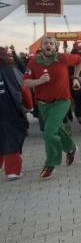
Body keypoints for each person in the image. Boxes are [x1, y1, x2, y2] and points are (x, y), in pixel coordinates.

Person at [23, 36, 81, 179]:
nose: (48, 45)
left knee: (49, 133)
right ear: (41, 47)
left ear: (55, 46)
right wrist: (39, 81)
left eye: (51, 43)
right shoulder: (33, 61)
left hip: (62, 102)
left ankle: (51, 163)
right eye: (45, 43)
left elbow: (80, 60)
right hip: (43, 104)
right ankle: (71, 148)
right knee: (57, 129)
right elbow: (25, 82)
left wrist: (75, 78)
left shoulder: (62, 58)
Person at [0, 47, 32, 180]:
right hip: (10, 110)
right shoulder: (12, 70)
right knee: (12, 137)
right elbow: (23, 89)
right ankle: (12, 170)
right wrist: (29, 106)